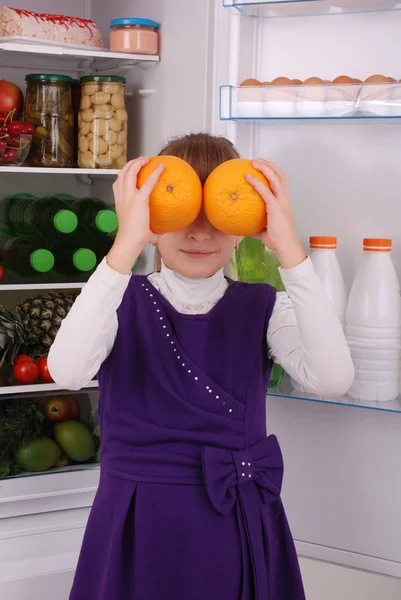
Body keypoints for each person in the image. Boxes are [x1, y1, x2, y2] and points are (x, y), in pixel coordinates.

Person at [48, 132, 354, 600]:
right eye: (183, 213)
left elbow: (333, 378)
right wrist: (125, 245)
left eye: (218, 214)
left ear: (243, 222)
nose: (200, 233)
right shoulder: (116, 300)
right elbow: (66, 372)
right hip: (135, 526)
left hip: (236, 524)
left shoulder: (266, 307)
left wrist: (288, 248)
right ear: (152, 216)